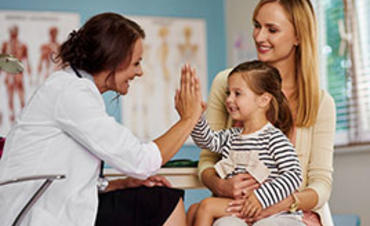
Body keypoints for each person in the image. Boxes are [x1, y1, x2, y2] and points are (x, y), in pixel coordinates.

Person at [0, 12, 203, 226]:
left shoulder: (71, 87)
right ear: (112, 60)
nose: (140, 72)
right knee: (163, 202)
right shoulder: (71, 93)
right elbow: (142, 161)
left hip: (50, 206)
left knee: (153, 196)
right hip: (35, 215)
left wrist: (121, 184)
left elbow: (67, 176)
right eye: (136, 63)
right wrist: (189, 119)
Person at [197, 1, 336, 226]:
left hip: (290, 211)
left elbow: (320, 183)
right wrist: (220, 185)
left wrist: (277, 204)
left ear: (298, 36)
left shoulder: (320, 102)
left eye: (272, 29)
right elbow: (207, 160)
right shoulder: (227, 83)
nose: (259, 37)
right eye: (256, 26)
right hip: (235, 209)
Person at [187, 61, 303, 226]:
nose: (229, 99)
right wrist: (195, 116)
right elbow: (206, 140)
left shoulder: (274, 138)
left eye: (237, 93)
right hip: (240, 209)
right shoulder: (231, 136)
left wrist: (260, 198)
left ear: (263, 100)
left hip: (277, 214)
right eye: (228, 93)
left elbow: (293, 175)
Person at [1, 25, 32, 123]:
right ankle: (12, 115)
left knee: (20, 93)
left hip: (18, 73)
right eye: (12, 33)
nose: (13, 35)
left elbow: (26, 59)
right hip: (9, 73)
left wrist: (30, 73)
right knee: (10, 94)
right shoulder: (6, 44)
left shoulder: (22, 45)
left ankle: (23, 115)